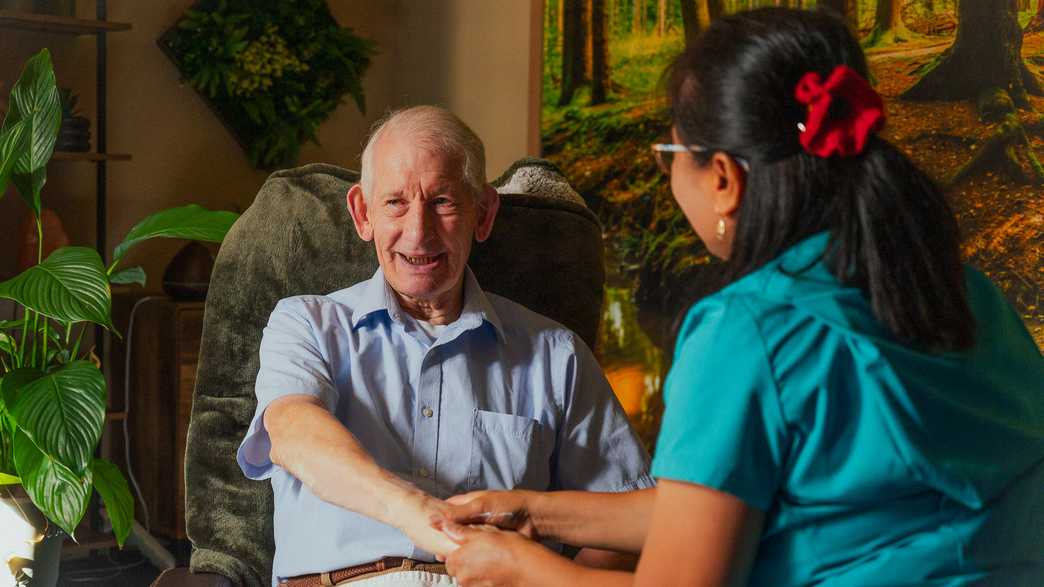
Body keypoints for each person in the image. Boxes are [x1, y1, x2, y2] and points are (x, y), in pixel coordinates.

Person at [436, 8, 1044, 587]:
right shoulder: (957, 288)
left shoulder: (748, 330)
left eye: (669, 156)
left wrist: (516, 569)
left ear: (724, 179)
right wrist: (533, 511)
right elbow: (712, 507)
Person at [235, 106, 654, 587]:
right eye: (395, 203)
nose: (418, 232)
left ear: (483, 213)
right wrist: (420, 515)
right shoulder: (307, 322)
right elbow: (292, 431)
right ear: (362, 213)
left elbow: (630, 522)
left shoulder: (557, 354)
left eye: (442, 202)